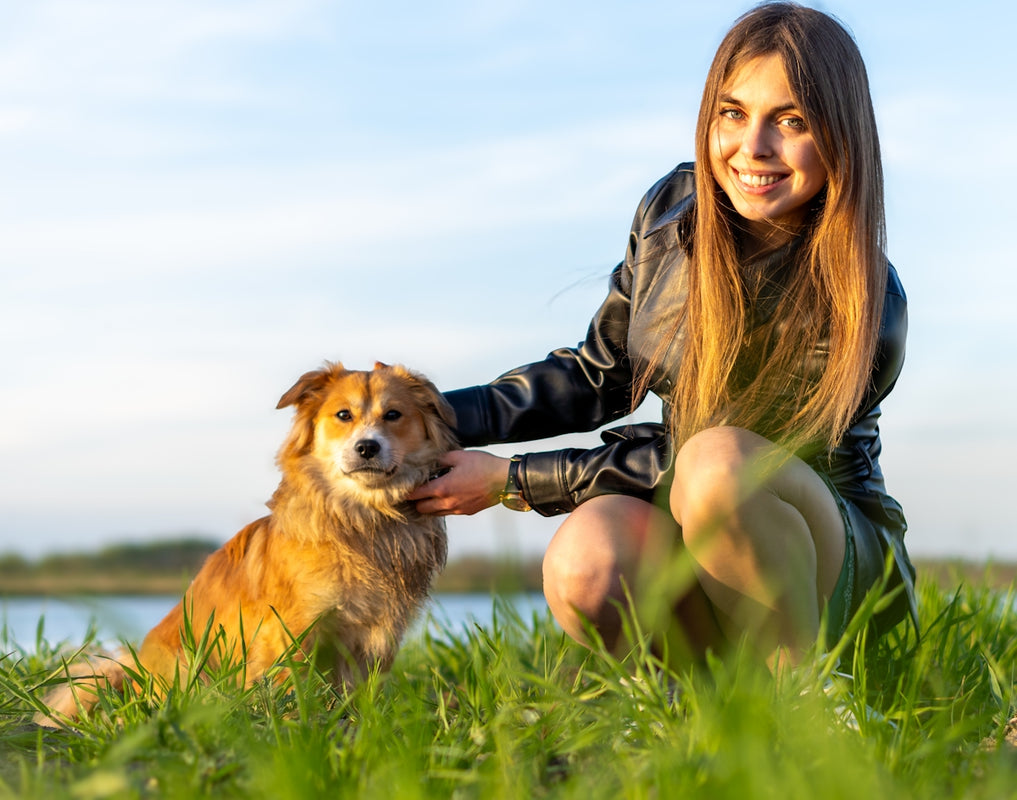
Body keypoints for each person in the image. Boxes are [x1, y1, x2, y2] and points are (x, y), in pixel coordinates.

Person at [408, 1, 916, 671]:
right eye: (731, 113)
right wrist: (426, 419)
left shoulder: (866, 301)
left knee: (716, 467)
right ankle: (699, 707)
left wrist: (512, 481)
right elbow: (600, 374)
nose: (752, 147)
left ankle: (811, 704)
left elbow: (698, 460)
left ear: (839, 135)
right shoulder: (669, 213)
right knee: (586, 558)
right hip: (699, 525)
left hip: (835, 569)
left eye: (789, 121)